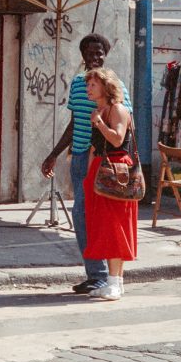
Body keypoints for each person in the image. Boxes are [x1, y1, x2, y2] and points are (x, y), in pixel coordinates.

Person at [40, 34, 131, 294]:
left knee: (92, 216)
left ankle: (104, 276)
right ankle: (97, 274)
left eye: (100, 52)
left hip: (104, 161)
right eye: (91, 53)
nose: (96, 57)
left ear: (106, 55)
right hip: (80, 158)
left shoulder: (116, 85)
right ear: (83, 56)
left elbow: (125, 124)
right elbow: (74, 123)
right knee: (82, 217)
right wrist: (54, 153)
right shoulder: (79, 84)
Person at [82, 67, 138, 300]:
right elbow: (95, 148)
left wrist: (99, 123)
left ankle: (114, 282)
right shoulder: (99, 110)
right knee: (104, 227)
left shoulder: (117, 109)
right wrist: (88, 177)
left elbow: (116, 137)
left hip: (117, 172)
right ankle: (116, 282)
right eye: (88, 85)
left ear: (106, 86)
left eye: (93, 84)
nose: (88, 88)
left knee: (115, 226)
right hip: (101, 172)